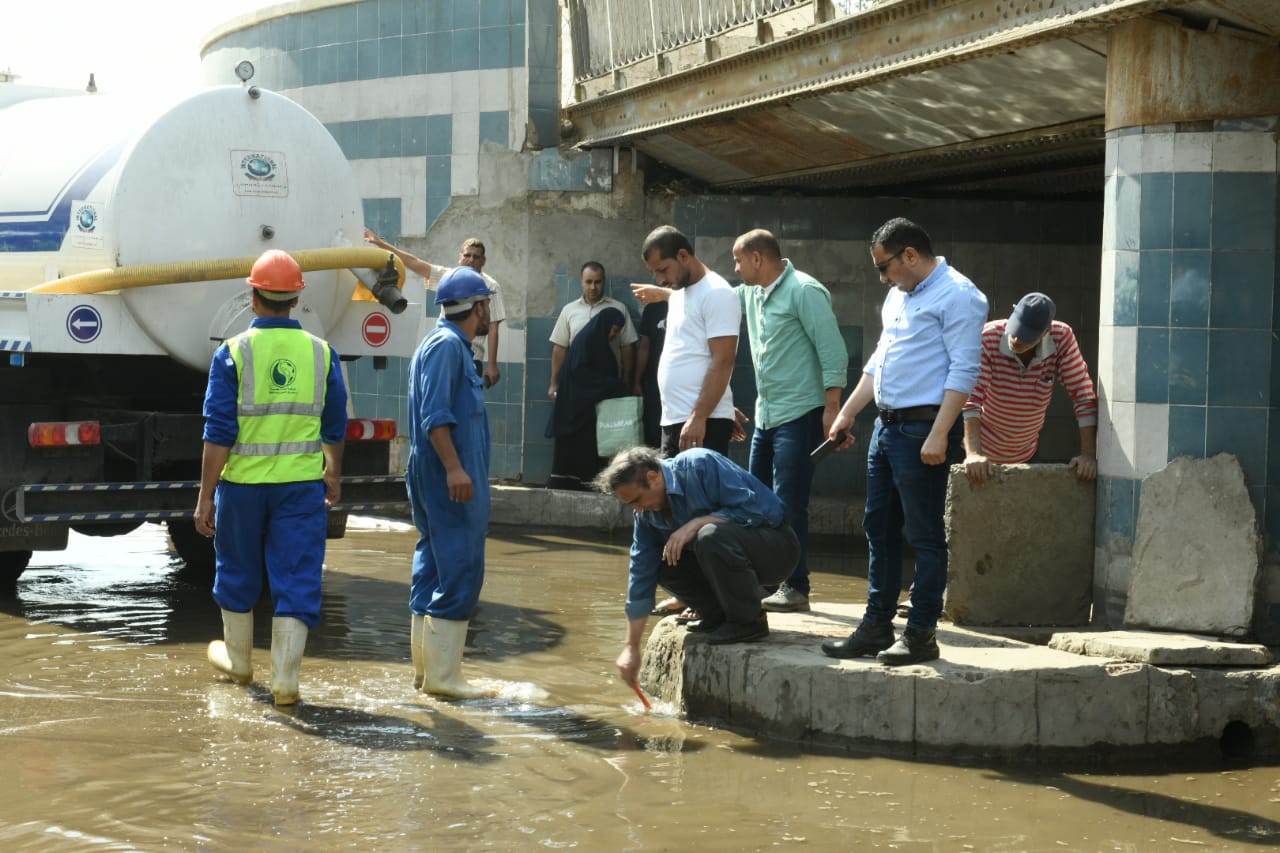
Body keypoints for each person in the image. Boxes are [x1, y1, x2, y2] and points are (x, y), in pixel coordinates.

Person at [820, 218, 988, 666]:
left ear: (909, 255)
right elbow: (880, 359)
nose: (882, 277)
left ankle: (920, 635)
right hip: (886, 425)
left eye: (884, 266)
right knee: (878, 527)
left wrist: (939, 433)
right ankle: (876, 626)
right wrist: (849, 412)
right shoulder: (900, 294)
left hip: (924, 427)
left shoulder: (960, 295)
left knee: (925, 535)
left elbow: (964, 370)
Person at [196, 249, 348, 706]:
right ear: (296, 300)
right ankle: (285, 684)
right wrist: (333, 472)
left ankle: (240, 664)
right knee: (298, 575)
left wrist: (205, 496)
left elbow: (218, 432)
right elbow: (334, 425)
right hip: (301, 488)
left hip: (241, 488)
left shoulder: (233, 352)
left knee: (237, 571)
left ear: (253, 296)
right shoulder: (323, 353)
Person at [594, 446, 800, 686]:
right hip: (725, 557)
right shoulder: (646, 516)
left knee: (709, 535)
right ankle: (717, 615)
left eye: (638, 500)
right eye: (632, 505)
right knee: (658, 561)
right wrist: (631, 647)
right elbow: (641, 573)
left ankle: (749, 621)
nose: (638, 510)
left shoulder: (700, 465)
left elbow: (759, 511)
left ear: (653, 476)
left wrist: (696, 523)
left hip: (776, 549)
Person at [731, 229, 848, 614]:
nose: (736, 268)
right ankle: (766, 581)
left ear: (757, 258)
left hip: (800, 414)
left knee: (789, 503)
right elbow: (713, 303)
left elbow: (832, 350)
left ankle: (796, 585)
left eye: (738, 260)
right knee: (756, 500)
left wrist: (834, 409)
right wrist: (669, 294)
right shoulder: (751, 293)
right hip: (766, 414)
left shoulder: (804, 290)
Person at [405, 267, 498, 700]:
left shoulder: (443, 344)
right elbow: (435, 416)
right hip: (450, 478)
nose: (487, 315)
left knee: (434, 565)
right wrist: (456, 469)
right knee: (460, 569)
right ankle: (445, 679)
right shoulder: (447, 348)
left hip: (436, 474)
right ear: (477, 307)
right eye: (486, 307)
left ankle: (426, 675)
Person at [962, 292, 1098, 483]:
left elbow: (1083, 397)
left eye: (1026, 337)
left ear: (1046, 332)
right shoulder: (989, 336)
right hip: (980, 451)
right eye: (1015, 330)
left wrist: (1088, 455)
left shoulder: (1062, 338)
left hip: (1026, 452)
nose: (1017, 340)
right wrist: (974, 454)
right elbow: (971, 400)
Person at [634, 225, 740, 457]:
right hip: (678, 418)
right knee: (675, 493)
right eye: (656, 274)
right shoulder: (681, 292)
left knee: (696, 493)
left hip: (698, 423)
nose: (660, 279)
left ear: (683, 255)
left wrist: (702, 415)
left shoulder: (718, 293)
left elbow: (723, 361)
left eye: (663, 270)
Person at [364, 229, 506, 387]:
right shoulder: (449, 278)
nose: (471, 260)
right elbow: (414, 262)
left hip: (471, 358)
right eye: (467, 255)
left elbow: (493, 328)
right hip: (445, 354)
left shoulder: (490, 286)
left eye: (476, 256)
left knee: (466, 406)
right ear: (460, 257)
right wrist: (380, 243)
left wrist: (492, 365)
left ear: (483, 261)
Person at [546, 262, 640, 489]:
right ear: (581, 282)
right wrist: (553, 383)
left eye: (598, 282)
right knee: (576, 437)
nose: (593, 287)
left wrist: (627, 382)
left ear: (604, 282)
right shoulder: (570, 311)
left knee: (601, 437)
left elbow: (628, 347)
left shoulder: (617, 310)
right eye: (589, 282)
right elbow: (560, 348)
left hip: (605, 391)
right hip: (578, 390)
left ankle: (599, 483)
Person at [633, 300, 668, 449]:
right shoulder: (653, 308)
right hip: (654, 383)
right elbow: (644, 346)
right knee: (653, 435)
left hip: (683, 387)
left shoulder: (691, 303)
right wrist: (637, 381)